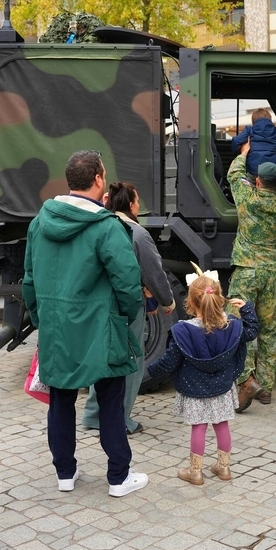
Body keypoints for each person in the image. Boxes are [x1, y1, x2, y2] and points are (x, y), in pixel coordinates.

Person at [22, 150, 149, 498]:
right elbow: (128, 281)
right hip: (101, 328)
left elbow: (29, 281)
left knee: (60, 400)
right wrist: (124, 316)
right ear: (98, 180)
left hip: (57, 329)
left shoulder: (38, 223)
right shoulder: (108, 227)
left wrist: (42, 320)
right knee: (110, 399)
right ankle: (118, 477)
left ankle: (65, 473)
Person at [83, 181, 176, 435]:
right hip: (126, 306)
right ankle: (121, 418)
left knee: (102, 359)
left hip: (97, 303)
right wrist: (167, 300)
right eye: (137, 201)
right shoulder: (136, 232)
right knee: (130, 363)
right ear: (132, 205)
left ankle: (93, 414)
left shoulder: (97, 227)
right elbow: (153, 273)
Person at [146, 274, 258, 484]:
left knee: (199, 427)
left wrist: (148, 370)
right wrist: (246, 309)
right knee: (221, 424)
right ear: (219, 299)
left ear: (190, 302)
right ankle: (224, 468)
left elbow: (168, 362)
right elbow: (251, 331)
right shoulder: (232, 327)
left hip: (194, 389)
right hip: (222, 388)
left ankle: (195, 472)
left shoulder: (182, 332)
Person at [227, 137, 276, 412]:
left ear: (257, 181)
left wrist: (244, 152)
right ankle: (266, 388)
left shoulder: (247, 198)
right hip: (271, 273)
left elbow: (234, 173)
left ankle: (246, 380)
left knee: (237, 327)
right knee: (269, 332)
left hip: (246, 271)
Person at [230, 108, 276, 177]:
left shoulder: (249, 131)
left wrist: (241, 151)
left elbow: (235, 141)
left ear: (253, 122)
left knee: (247, 180)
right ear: (270, 120)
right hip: (273, 171)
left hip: (254, 171)